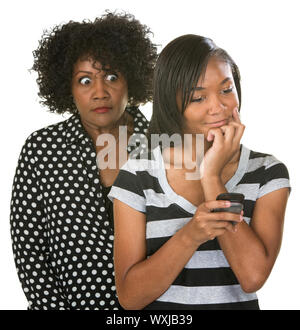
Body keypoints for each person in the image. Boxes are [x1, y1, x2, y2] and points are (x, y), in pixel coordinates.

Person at [108, 34, 291, 310]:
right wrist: (191, 234)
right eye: (198, 97)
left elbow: (252, 277)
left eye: (226, 90)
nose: (218, 107)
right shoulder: (137, 175)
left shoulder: (267, 172)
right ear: (172, 104)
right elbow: (130, 297)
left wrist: (211, 177)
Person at [10, 11, 157, 310]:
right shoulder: (42, 150)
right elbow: (30, 253)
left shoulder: (165, 147)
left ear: (132, 79)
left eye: (112, 77)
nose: (100, 92)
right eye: (85, 80)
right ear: (68, 88)